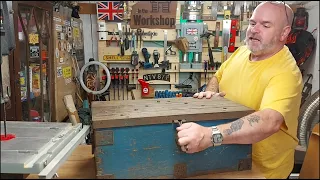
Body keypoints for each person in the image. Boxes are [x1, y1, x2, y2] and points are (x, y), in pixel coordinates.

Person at [176, 2, 302, 179]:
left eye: (265, 25)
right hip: (228, 158)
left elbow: (269, 121)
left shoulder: (286, 72)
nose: (254, 30)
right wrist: (211, 92)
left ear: (284, 33)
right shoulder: (242, 52)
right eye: (252, 23)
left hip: (262, 172)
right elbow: (217, 77)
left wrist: (209, 135)